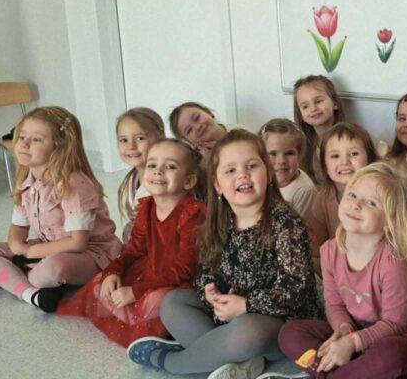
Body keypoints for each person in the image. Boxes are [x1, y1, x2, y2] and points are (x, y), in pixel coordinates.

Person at [127, 129, 319, 379]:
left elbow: (297, 286)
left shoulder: (285, 223)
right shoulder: (219, 220)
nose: (243, 175)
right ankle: (235, 362)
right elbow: (206, 267)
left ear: (269, 174)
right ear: (217, 185)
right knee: (173, 302)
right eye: (230, 170)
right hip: (229, 312)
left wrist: (246, 305)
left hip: (276, 322)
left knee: (248, 330)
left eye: (252, 166)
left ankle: (172, 362)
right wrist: (210, 291)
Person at [278, 162, 407, 378]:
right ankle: (339, 373)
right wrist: (343, 330)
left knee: (392, 354)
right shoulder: (329, 251)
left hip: (396, 337)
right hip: (353, 330)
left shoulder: (393, 261)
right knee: (290, 333)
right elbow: (335, 304)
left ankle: (332, 373)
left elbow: (394, 323)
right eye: (352, 195)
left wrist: (352, 343)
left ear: (391, 220)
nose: (356, 204)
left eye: (371, 202)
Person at [58, 139, 205, 346]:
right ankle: (134, 318)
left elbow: (185, 270)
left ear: (188, 181)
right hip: (150, 270)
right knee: (102, 283)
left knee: (156, 301)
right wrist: (113, 272)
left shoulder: (192, 213)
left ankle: (155, 331)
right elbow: (133, 250)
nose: (158, 171)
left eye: (170, 166)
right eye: (152, 165)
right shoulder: (146, 207)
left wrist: (135, 292)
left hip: (179, 281)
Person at [0, 106, 122, 313]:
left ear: (58, 147)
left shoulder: (74, 184)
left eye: (36, 139)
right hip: (48, 246)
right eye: (22, 136)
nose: (24, 143)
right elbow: (18, 228)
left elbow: (78, 243)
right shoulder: (26, 181)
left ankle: (13, 278)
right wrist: (17, 247)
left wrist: (29, 252)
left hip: (91, 254)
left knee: (53, 268)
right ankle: (32, 294)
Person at [304, 122, 378, 275]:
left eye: (354, 154)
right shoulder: (323, 199)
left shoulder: (381, 195)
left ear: (370, 159)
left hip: (376, 266)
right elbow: (316, 247)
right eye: (335, 156)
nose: (344, 162)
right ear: (325, 166)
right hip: (338, 270)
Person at [115, 107, 166, 243]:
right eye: (123, 140)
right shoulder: (131, 181)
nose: (131, 146)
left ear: (160, 137)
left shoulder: (168, 181)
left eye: (140, 138)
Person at [293, 75, 346, 182]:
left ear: (335, 103)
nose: (313, 109)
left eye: (318, 101)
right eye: (305, 106)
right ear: (300, 115)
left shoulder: (347, 140)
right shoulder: (301, 144)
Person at [260, 117, 316, 217]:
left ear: (300, 154)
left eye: (289, 153)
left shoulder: (304, 191)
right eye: (273, 153)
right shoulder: (261, 179)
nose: (281, 161)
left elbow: (299, 226)